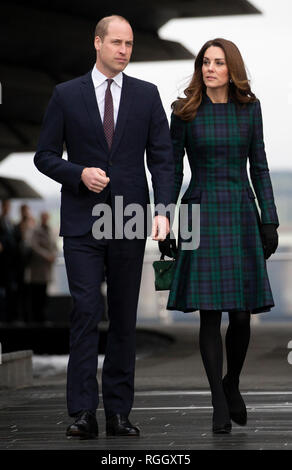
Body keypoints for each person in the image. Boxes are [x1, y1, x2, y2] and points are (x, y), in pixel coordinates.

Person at [34, 15, 174, 439]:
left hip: (130, 219)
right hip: (82, 222)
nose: (124, 50)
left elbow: (163, 159)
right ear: (97, 43)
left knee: (124, 320)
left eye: (129, 43)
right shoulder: (65, 95)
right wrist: (78, 174)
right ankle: (82, 412)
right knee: (85, 313)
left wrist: (164, 210)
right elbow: (44, 155)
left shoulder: (147, 95)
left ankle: (118, 413)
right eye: (116, 42)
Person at [160, 38, 279, 434]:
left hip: (241, 211)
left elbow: (260, 165)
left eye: (218, 63)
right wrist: (164, 219)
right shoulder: (184, 111)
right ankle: (217, 399)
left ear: (232, 69)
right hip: (198, 210)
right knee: (209, 314)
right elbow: (172, 171)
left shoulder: (250, 108)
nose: (210, 68)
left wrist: (270, 220)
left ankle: (232, 382)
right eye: (205, 62)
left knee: (241, 314)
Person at [27, 211, 57, 323]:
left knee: (44, 294)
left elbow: (54, 245)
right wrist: (47, 256)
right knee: (36, 294)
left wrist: (53, 255)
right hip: (38, 267)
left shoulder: (50, 230)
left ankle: (42, 317)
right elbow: (34, 246)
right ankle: (35, 318)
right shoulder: (35, 231)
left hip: (46, 268)